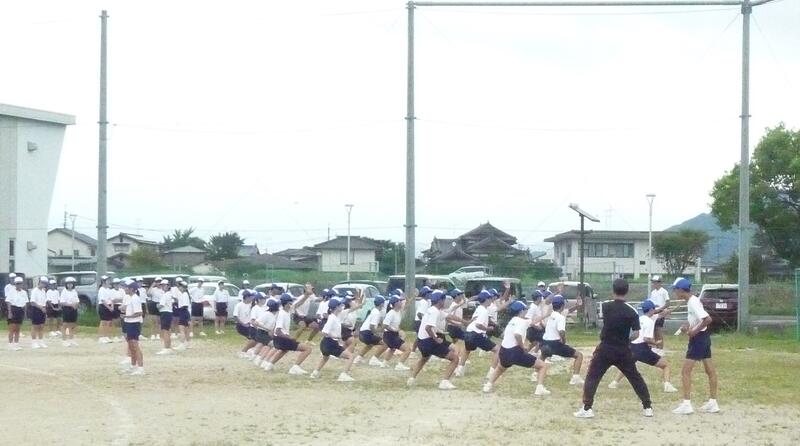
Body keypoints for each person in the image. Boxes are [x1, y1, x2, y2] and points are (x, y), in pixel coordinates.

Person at [574, 279, 653, 419]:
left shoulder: (606, 306)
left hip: (605, 347)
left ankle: (587, 408)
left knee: (593, 377)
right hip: (623, 349)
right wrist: (627, 340)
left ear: (613, 290)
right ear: (627, 291)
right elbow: (636, 334)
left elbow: (604, 321)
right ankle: (647, 407)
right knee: (635, 377)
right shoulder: (632, 311)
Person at [671, 278, 720, 415]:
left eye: (675, 290)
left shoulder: (693, 302)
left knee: (685, 371)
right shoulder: (692, 301)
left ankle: (687, 404)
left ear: (681, 290)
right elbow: (698, 319)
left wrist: (694, 331)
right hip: (703, 338)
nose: (675, 292)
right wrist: (688, 325)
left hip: (698, 339)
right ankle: (713, 402)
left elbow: (707, 319)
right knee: (710, 370)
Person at [608, 300, 678, 393]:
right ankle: (667, 386)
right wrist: (656, 343)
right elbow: (646, 339)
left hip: (632, 346)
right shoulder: (649, 322)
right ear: (651, 310)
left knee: (627, 365)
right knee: (665, 365)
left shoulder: (639, 319)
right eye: (654, 309)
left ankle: (614, 383)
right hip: (641, 348)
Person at [483, 300, 550, 396]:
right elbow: (517, 334)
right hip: (514, 351)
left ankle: (488, 385)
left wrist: (545, 315)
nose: (526, 311)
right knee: (542, 366)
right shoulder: (522, 322)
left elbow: (533, 321)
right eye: (525, 309)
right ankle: (539, 388)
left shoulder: (512, 320)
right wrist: (523, 347)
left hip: (504, 351)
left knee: (500, 368)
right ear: (521, 311)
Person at [407, 290, 459, 390]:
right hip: (429, 341)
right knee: (455, 359)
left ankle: (411, 379)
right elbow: (428, 328)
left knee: (424, 359)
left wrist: (465, 322)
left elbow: (449, 316)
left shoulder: (432, 310)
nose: (445, 301)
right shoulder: (435, 311)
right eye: (444, 299)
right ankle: (444, 382)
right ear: (440, 301)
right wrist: (436, 339)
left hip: (421, 341)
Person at [263, 293, 312, 375]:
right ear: (286, 304)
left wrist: (306, 295)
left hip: (278, 340)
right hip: (282, 339)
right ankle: (295, 367)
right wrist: (288, 337)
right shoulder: (282, 314)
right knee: (307, 349)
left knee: (284, 350)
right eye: (290, 303)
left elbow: (298, 303)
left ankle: (269, 365)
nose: (291, 304)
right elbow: (278, 331)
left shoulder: (287, 311)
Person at [541, 295, 584, 386]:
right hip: (555, 343)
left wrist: (577, 306)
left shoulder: (551, 314)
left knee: (543, 356)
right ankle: (575, 378)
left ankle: (536, 373)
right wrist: (563, 340)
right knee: (579, 355)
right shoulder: (560, 317)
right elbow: (561, 331)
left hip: (545, 341)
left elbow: (568, 311)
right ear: (562, 306)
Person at [310, 298, 356, 381]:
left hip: (325, 343)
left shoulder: (335, 317)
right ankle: (344, 375)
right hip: (330, 343)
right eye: (340, 306)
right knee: (351, 356)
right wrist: (336, 337)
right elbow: (324, 332)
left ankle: (315, 372)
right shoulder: (332, 318)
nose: (342, 307)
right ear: (336, 308)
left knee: (325, 358)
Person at [459, 291, 499, 379]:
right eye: (490, 298)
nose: (491, 300)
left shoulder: (478, 308)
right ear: (486, 299)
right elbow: (478, 325)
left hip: (468, 332)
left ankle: (460, 370)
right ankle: (491, 373)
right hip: (476, 333)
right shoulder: (484, 311)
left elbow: (474, 320)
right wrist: (488, 328)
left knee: (467, 350)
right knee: (498, 350)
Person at [348, 295, 387, 368]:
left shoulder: (374, 310)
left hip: (362, 332)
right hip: (366, 333)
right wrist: (378, 333)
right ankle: (374, 359)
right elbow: (372, 327)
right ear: (381, 304)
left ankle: (358, 358)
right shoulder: (376, 313)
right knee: (386, 343)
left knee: (370, 344)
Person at [377, 294, 412, 371]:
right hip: (390, 335)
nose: (401, 302)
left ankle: (384, 363)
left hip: (391, 335)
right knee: (408, 349)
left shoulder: (398, 312)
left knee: (392, 348)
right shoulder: (391, 313)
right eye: (399, 301)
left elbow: (406, 306)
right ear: (395, 303)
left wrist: (411, 298)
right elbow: (385, 325)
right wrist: (394, 330)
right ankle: (400, 365)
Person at [122, 280, 145, 376]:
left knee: (135, 345)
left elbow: (139, 313)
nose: (125, 289)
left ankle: (140, 367)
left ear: (131, 289)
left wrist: (126, 316)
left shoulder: (135, 299)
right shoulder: (130, 298)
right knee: (131, 345)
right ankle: (133, 365)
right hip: (129, 323)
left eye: (126, 287)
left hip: (134, 323)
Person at [253, 294, 279, 369]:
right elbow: (256, 323)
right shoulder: (267, 314)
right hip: (261, 333)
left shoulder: (274, 315)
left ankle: (260, 359)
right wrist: (267, 329)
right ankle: (263, 361)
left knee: (269, 346)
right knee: (274, 345)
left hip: (266, 334)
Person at [648, 275, 670, 353]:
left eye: (655, 282)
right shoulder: (653, 292)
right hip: (654, 313)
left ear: (659, 283)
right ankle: (656, 347)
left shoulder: (664, 291)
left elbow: (668, 303)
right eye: (653, 282)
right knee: (654, 330)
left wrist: (661, 309)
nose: (654, 284)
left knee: (658, 330)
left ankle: (660, 348)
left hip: (661, 313)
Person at [6, 276, 27, 350]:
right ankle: (10, 345)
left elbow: (25, 303)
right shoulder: (11, 291)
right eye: (17, 283)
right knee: (12, 328)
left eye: (20, 283)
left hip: (20, 310)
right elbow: (8, 302)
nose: (19, 285)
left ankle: (16, 344)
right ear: (15, 284)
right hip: (13, 309)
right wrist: (9, 313)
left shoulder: (24, 292)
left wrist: (25, 313)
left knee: (18, 329)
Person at [235, 291, 257, 358]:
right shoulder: (239, 305)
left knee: (256, 338)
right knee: (253, 339)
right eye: (250, 297)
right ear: (247, 297)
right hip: (241, 325)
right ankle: (244, 351)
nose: (252, 298)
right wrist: (243, 324)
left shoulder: (252, 305)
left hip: (250, 325)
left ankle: (249, 351)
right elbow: (235, 316)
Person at [28, 276, 49, 348]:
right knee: (35, 326)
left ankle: (41, 341)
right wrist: (41, 308)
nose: (43, 284)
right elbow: (32, 302)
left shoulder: (43, 291)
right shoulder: (35, 291)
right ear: (39, 282)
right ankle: (33, 342)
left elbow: (44, 302)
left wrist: (44, 309)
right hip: (36, 309)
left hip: (43, 309)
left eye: (45, 283)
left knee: (41, 326)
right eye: (42, 283)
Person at [59, 277, 80, 347]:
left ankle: (71, 339)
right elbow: (62, 302)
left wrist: (76, 305)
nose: (70, 285)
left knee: (72, 325)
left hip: (74, 309)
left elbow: (77, 301)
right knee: (65, 324)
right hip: (66, 309)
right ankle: (64, 340)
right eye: (68, 284)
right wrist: (71, 305)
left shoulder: (74, 291)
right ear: (66, 284)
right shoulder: (64, 291)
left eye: (71, 283)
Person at [156, 279, 175, 355]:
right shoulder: (169, 294)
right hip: (168, 313)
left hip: (165, 312)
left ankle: (166, 348)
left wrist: (157, 306)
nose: (163, 287)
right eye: (162, 285)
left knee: (165, 331)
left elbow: (161, 305)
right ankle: (168, 347)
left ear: (168, 286)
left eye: (164, 285)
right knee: (167, 330)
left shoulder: (165, 295)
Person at [97, 276, 114, 344]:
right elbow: (103, 300)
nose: (109, 282)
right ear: (103, 281)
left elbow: (111, 299)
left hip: (109, 306)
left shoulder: (108, 289)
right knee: (103, 322)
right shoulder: (101, 289)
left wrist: (112, 306)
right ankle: (101, 337)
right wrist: (109, 308)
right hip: (103, 306)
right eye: (107, 280)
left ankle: (106, 336)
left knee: (108, 322)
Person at [175, 280, 192, 350]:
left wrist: (178, 310)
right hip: (184, 312)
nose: (179, 288)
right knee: (186, 329)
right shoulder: (183, 294)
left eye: (180, 286)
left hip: (183, 312)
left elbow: (184, 306)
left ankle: (182, 344)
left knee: (181, 329)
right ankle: (187, 344)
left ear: (184, 287)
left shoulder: (184, 294)